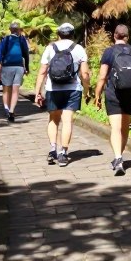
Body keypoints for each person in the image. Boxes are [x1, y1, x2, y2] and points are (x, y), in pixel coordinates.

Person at [94, 24, 131, 176]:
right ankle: (119, 157)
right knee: (124, 128)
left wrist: (97, 94)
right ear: (127, 37)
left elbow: (102, 76)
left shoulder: (109, 52)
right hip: (130, 93)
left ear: (114, 36)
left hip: (113, 94)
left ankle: (118, 158)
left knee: (115, 128)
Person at [34, 22, 90, 167]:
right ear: (73, 34)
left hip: (53, 89)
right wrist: (86, 90)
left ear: (58, 34)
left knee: (53, 119)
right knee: (67, 121)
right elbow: (84, 73)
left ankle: (53, 149)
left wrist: (37, 92)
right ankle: (63, 153)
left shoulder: (50, 48)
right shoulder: (78, 49)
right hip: (73, 89)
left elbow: (42, 71)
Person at [0, 21, 30, 122]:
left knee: (6, 89)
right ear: (18, 30)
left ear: (10, 30)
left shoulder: (5, 39)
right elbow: (26, 54)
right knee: (15, 90)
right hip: (19, 67)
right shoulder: (21, 39)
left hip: (7, 67)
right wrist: (27, 67)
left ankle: (6, 108)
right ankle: (12, 110)